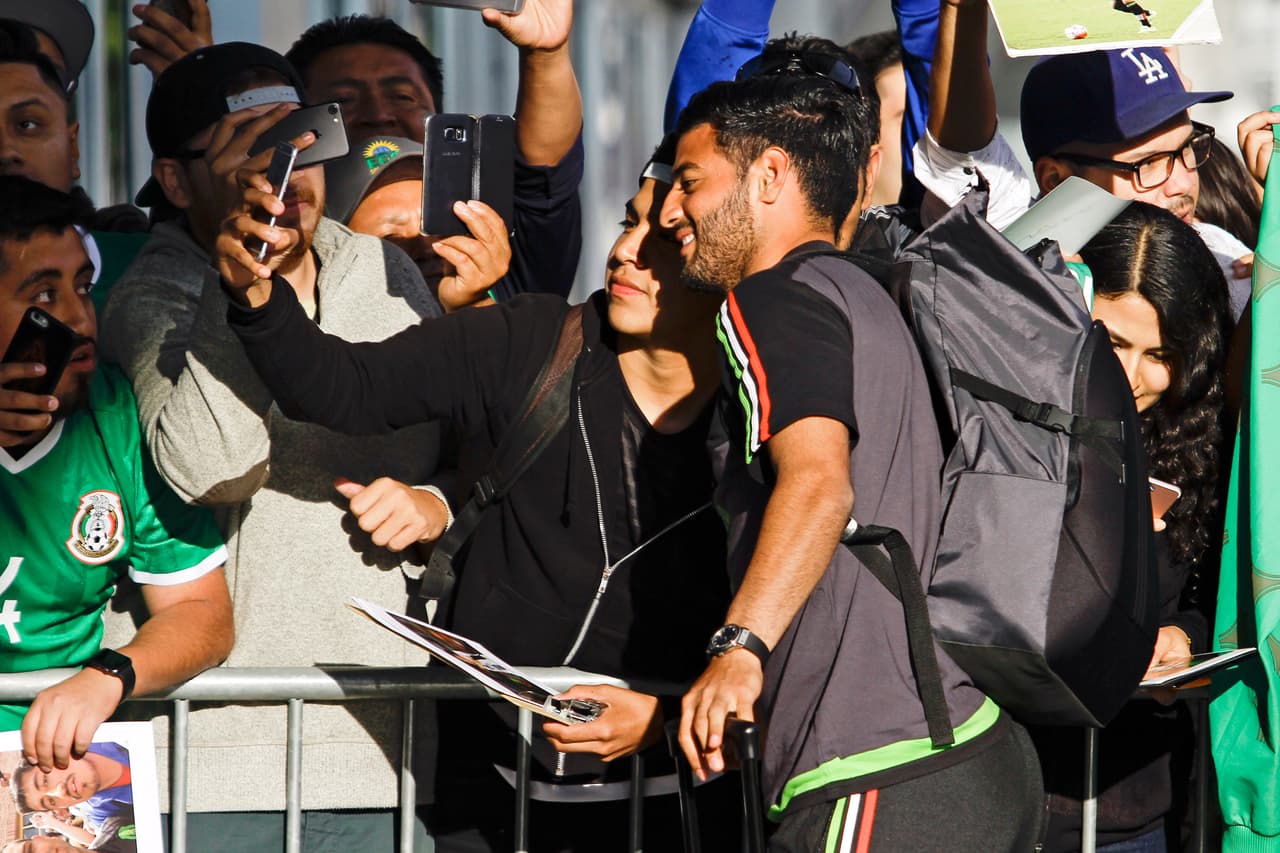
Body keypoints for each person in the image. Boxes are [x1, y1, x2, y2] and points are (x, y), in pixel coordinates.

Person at [215, 134, 738, 851]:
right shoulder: (534, 339)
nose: (625, 253)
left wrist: (663, 718)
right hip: (484, 799)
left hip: (680, 809)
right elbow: (343, 387)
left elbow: (808, 636)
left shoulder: (767, 413)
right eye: (628, 222)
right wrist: (254, 293)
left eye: (665, 238)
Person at [659, 40, 1045, 849]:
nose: (670, 212)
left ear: (768, 175)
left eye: (689, 182)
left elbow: (820, 486)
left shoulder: (771, 298)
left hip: (875, 767)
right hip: (968, 756)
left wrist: (739, 647)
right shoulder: (868, 292)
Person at [98, 44, 446, 850]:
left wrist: (435, 503)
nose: (285, 167)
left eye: (303, 136)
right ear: (177, 180)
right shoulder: (150, 294)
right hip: (211, 764)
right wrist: (243, 290)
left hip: (385, 754)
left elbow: (463, 447)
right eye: (252, 145)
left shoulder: (386, 269)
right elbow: (212, 470)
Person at [0, 175, 232, 781]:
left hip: (48, 772)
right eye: (44, 295)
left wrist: (109, 675)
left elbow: (201, 611)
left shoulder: (116, 414)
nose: (80, 318)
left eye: (82, 286)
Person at [1028, 203, 1230, 853]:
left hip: (1132, 804)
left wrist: (1181, 636)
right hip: (1009, 793)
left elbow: (1212, 593)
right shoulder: (1009, 428)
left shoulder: (1200, 444)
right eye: (1112, 342)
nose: (1131, 377)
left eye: (1160, 355)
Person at [917, 0, 1254, 319]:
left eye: (1187, 149)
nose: (1182, 183)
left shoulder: (1227, 257)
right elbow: (962, 152)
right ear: (1055, 179)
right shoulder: (1024, 250)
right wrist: (962, 9)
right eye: (1147, 164)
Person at [285, 6, 583, 301]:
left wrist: (546, 55)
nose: (378, 115)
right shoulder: (295, 291)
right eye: (342, 102)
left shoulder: (499, 260)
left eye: (402, 96)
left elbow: (544, 177)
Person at [324, 136, 511, 311]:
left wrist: (472, 305)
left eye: (439, 225)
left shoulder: (515, 315)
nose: (429, 248)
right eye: (391, 239)